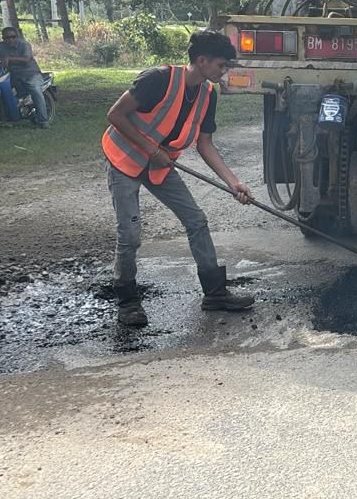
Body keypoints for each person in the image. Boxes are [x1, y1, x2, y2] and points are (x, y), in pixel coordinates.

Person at [102, 30, 256, 327]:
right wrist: (150, 148)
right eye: (221, 65)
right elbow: (115, 115)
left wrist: (232, 182)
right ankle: (128, 301)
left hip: (159, 166)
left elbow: (205, 144)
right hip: (125, 160)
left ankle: (215, 293)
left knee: (196, 220)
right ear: (202, 60)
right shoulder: (157, 79)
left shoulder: (207, 94)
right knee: (130, 235)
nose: (224, 72)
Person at [0, 26, 50, 127]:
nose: (10, 39)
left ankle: (43, 120)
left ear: (17, 37)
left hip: (30, 74)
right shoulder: (0, 46)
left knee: (35, 90)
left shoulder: (24, 45)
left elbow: (27, 59)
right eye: (7, 38)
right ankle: (5, 117)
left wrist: (9, 59)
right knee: (0, 89)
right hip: (11, 75)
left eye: (13, 37)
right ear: (3, 38)